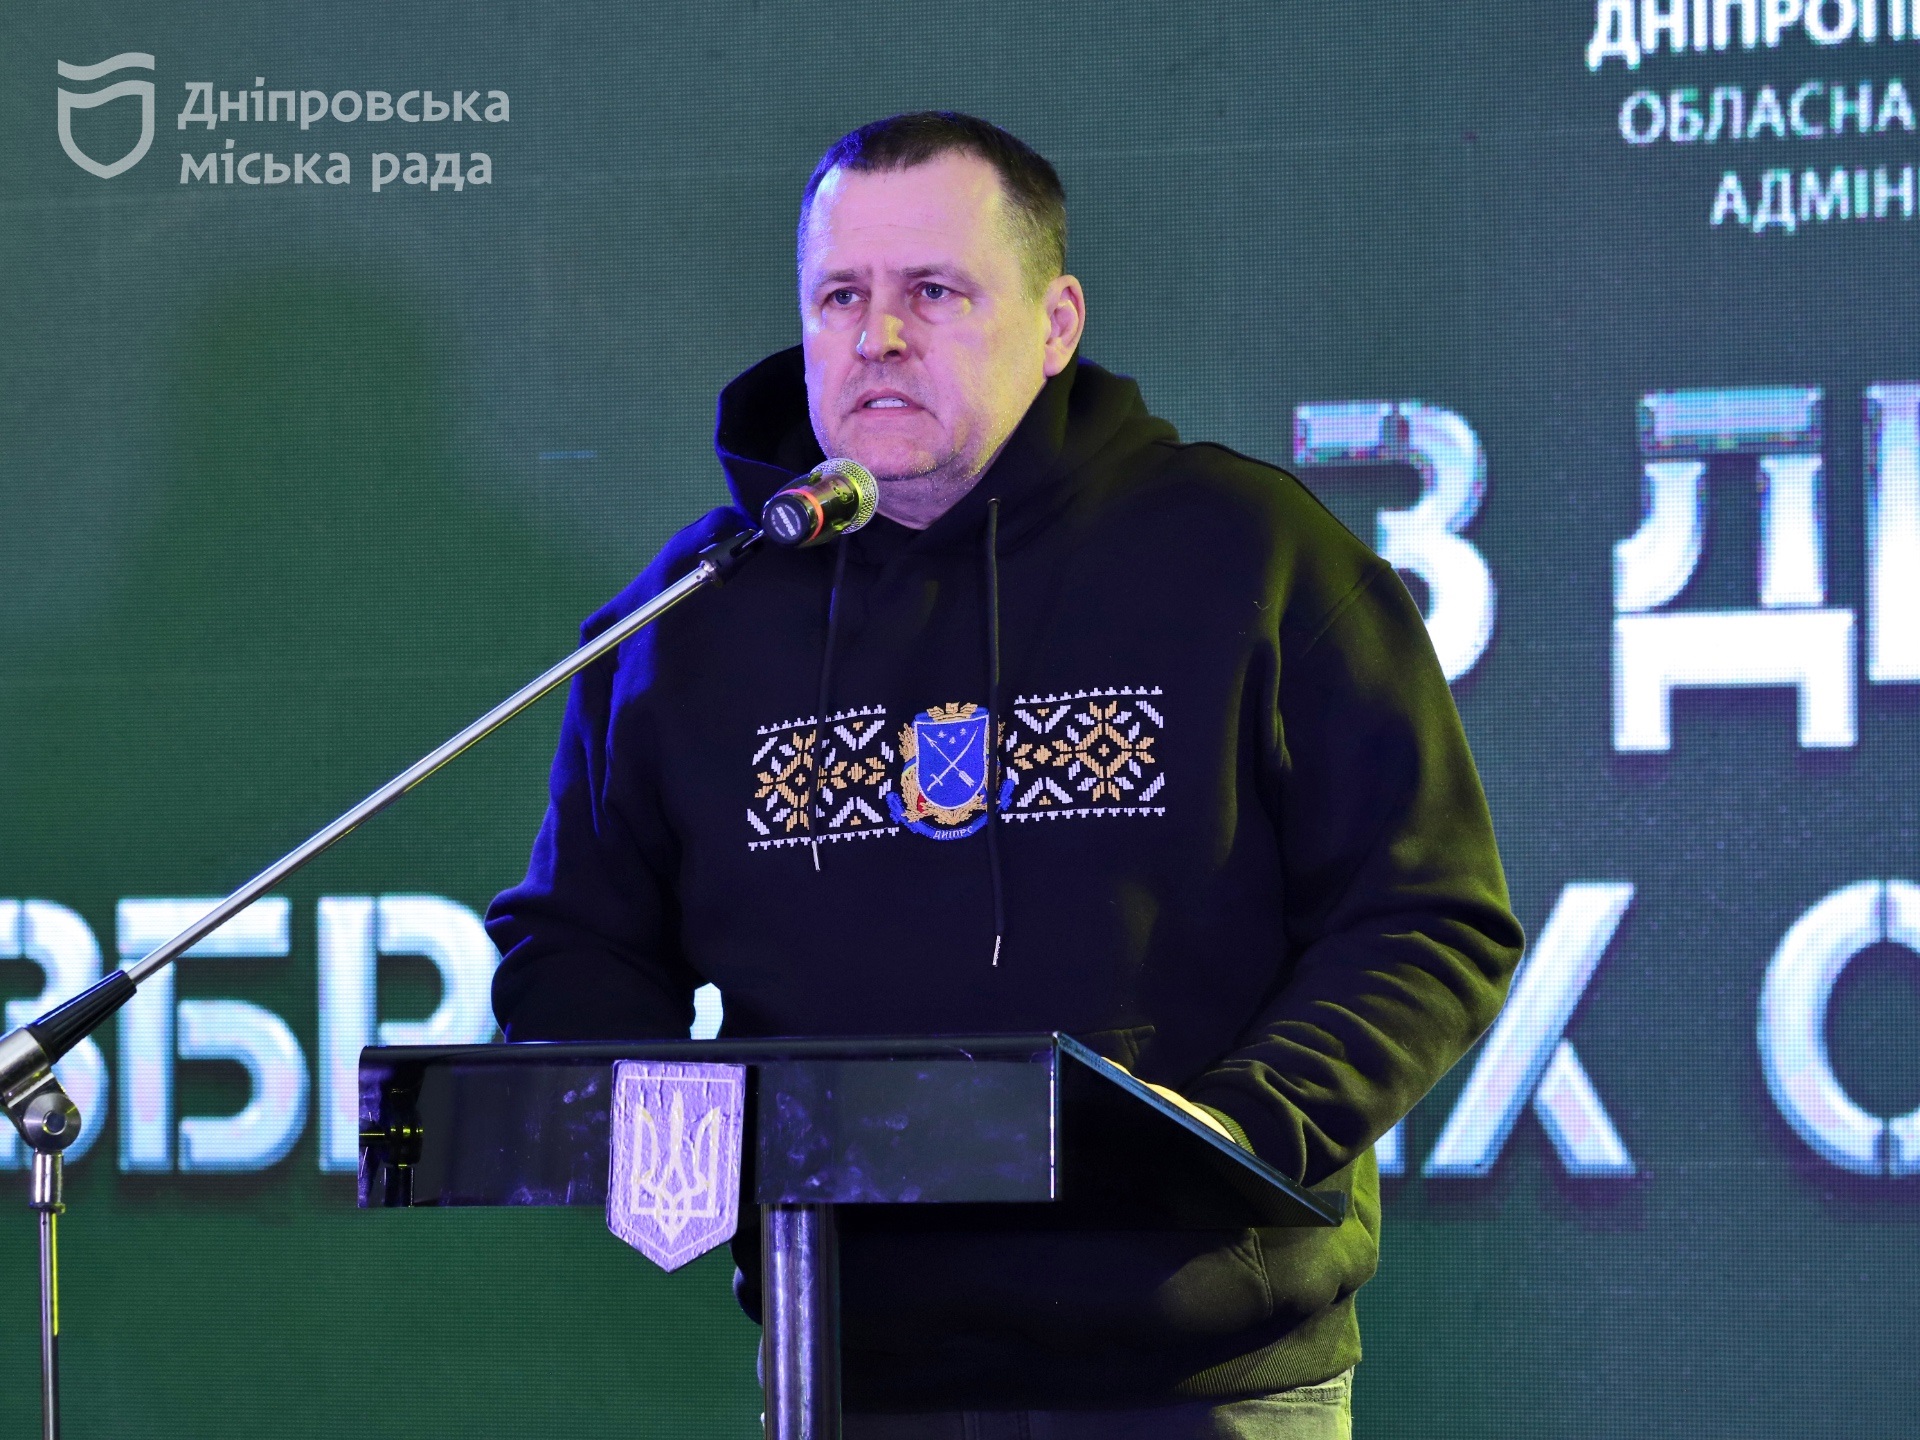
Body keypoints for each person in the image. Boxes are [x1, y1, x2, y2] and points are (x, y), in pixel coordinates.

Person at [488, 112, 1524, 1438]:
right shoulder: (693, 614)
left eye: (934, 291)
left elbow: (1429, 914)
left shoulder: (1250, 555)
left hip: (1208, 1383)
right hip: (842, 1369)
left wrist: (1237, 1134)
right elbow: (576, 942)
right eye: (841, 297)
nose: (880, 335)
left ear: (1055, 322)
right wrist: (648, 1125)